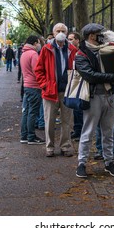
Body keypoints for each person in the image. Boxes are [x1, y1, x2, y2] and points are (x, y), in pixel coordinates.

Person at [75, 23, 114, 178]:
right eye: (100, 34)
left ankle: (109, 162)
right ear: (92, 35)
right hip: (93, 97)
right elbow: (89, 75)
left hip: (110, 96)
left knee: (108, 131)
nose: (103, 36)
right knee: (88, 131)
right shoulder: (81, 55)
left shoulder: (108, 49)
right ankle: (81, 164)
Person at [35, 23, 78, 157]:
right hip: (50, 92)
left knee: (67, 121)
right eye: (58, 30)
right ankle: (50, 147)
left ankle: (65, 146)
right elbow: (38, 70)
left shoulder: (72, 49)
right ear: (53, 33)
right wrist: (45, 85)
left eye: (63, 31)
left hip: (67, 91)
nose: (60, 33)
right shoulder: (46, 49)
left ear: (66, 33)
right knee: (49, 121)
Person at [93, 30, 114, 161]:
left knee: (106, 124)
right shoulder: (112, 50)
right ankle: (103, 149)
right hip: (107, 90)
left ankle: (109, 149)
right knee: (103, 123)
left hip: (109, 91)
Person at [20, 35, 45, 145]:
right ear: (35, 43)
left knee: (26, 111)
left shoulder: (24, 53)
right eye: (39, 43)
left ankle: (24, 135)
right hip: (34, 86)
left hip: (27, 85)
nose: (39, 45)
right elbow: (37, 71)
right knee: (33, 112)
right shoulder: (33, 54)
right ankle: (31, 136)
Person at [68, 31, 83, 140]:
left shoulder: (81, 51)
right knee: (75, 108)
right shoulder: (69, 51)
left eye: (71, 39)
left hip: (81, 82)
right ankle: (77, 129)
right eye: (68, 39)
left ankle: (81, 131)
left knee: (80, 108)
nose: (69, 41)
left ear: (77, 40)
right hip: (73, 81)